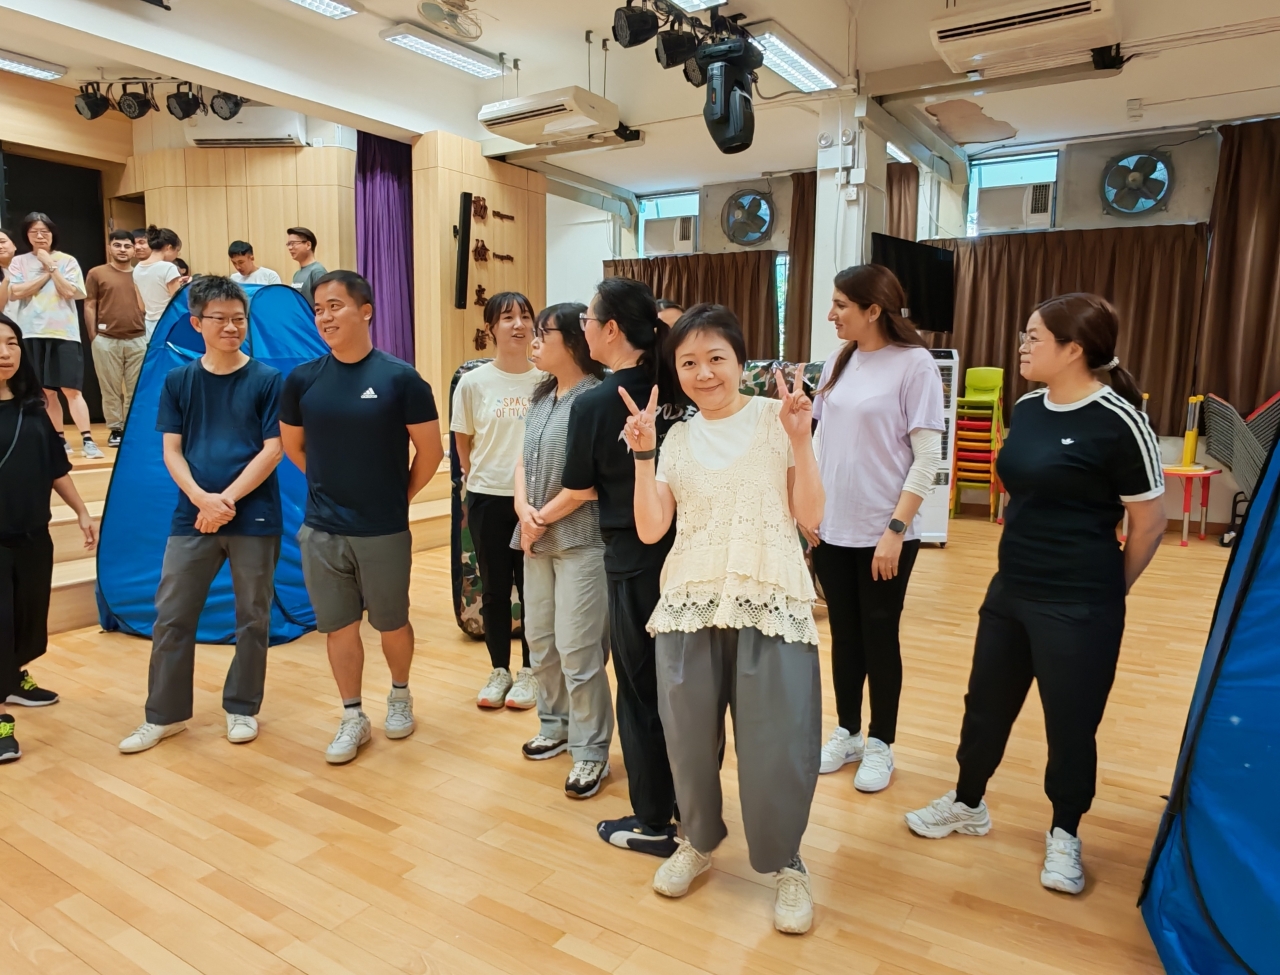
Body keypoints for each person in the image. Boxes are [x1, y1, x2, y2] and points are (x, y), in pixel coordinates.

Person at [905, 293, 1166, 896]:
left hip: (1080, 601)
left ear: (1073, 349)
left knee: (1071, 723)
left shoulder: (1119, 420)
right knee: (984, 705)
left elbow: (1150, 524)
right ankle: (968, 803)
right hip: (1010, 589)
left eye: (1034, 337)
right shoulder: (1027, 408)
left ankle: (1066, 830)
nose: (1022, 346)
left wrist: (1109, 591)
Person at [625, 304, 825, 933]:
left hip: (769, 596)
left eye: (716, 358)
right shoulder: (677, 438)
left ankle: (787, 861)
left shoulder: (776, 418)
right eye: (689, 362)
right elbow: (651, 528)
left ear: (741, 360)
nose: (704, 373)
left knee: (778, 740)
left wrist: (801, 439)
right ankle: (698, 840)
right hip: (690, 599)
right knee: (686, 738)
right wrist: (642, 456)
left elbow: (811, 515)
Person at [280, 270, 443, 765]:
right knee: (339, 627)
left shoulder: (401, 378)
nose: (325, 317)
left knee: (392, 622)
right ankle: (353, 715)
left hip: (383, 529)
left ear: (365, 311)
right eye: (318, 309)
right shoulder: (302, 379)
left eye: (335, 306)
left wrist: (397, 497)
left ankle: (400, 695)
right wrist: (329, 488)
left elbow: (431, 452)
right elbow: (293, 447)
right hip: (322, 529)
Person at [117, 276, 284, 753]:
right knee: (172, 615)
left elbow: (273, 450)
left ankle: (242, 708)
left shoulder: (268, 379)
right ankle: (164, 716)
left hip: (254, 516)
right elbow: (171, 451)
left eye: (239, 319)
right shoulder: (179, 380)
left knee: (252, 617)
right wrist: (200, 499)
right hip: (192, 515)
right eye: (220, 319)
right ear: (197, 323)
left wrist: (223, 501)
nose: (232, 327)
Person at [558, 277, 682, 856]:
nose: (583, 329)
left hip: (634, 558)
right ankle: (690, 802)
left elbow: (580, 485)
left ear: (610, 329)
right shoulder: (679, 385)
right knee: (689, 686)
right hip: (691, 552)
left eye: (587, 320)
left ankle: (654, 819)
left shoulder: (594, 402)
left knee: (639, 689)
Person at [809, 265, 944, 793]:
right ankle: (847, 731)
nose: (831, 314)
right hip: (832, 529)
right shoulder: (837, 361)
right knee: (844, 636)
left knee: (880, 636)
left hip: (885, 532)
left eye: (841, 304)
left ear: (873, 309)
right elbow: (819, 440)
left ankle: (882, 742)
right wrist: (810, 513)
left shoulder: (915, 364)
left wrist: (895, 530)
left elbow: (927, 458)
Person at [512, 302, 613, 798]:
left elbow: (592, 484)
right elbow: (521, 462)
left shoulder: (597, 397)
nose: (533, 342)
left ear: (574, 340)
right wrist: (522, 510)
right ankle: (554, 724)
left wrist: (540, 518)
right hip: (536, 538)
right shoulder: (541, 394)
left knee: (578, 649)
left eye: (542, 333)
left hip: (580, 541)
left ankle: (591, 750)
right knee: (540, 640)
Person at [0, 314, 97, 761]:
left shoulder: (33, 408)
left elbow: (55, 467)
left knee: (28, 620)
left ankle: (12, 678)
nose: (5, 352)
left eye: (12, 343)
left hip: (33, 534)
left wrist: (81, 511)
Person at [451, 292, 540, 710]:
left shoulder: (546, 380)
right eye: (507, 317)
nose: (518, 325)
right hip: (488, 498)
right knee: (495, 589)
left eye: (525, 316)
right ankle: (500, 669)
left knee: (534, 591)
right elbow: (463, 440)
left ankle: (531, 672)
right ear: (491, 328)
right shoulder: (473, 382)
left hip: (535, 503)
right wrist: (479, 478)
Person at [3, 213, 98, 459]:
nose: (40, 236)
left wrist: (51, 265)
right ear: (27, 235)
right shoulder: (19, 262)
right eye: (34, 231)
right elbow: (16, 292)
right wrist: (46, 272)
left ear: (52, 233)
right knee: (46, 392)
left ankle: (88, 439)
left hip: (64, 333)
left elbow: (70, 292)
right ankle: (60, 439)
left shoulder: (68, 261)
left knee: (72, 390)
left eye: (44, 231)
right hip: (31, 332)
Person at [85, 230, 147, 448]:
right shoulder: (97, 273)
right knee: (110, 388)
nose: (122, 250)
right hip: (106, 340)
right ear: (109, 247)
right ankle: (116, 429)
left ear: (134, 249)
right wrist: (93, 336)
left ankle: (131, 428)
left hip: (139, 338)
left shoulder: (142, 273)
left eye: (127, 246)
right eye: (118, 245)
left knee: (135, 388)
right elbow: (90, 303)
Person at [133, 226, 185, 340]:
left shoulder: (137, 269)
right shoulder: (168, 267)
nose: (176, 255)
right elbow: (178, 302)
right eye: (177, 251)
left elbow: (142, 307)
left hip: (150, 323)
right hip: (169, 322)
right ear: (169, 247)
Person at [286, 227, 327, 307]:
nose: (290, 248)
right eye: (288, 244)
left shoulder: (317, 271)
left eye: (293, 243)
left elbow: (323, 302)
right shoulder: (297, 274)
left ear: (308, 245)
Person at [0, 227, 18, 319]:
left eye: (3, 242)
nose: (0, 247)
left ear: (14, 245)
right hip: (5, 324)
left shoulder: (30, 266)